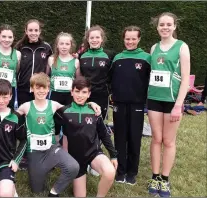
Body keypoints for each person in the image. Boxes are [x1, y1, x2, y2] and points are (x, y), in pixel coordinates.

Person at [0, 73, 101, 196]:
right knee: (37, 190)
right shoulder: (26, 106)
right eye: (37, 87)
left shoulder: (53, 105)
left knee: (73, 167)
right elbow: (5, 114)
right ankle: (38, 172)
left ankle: (54, 192)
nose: (41, 91)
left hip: (52, 149)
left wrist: (91, 104)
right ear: (32, 89)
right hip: (34, 152)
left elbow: (74, 108)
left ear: (48, 89)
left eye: (44, 88)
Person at [147, 12, 190, 197]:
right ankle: (155, 176)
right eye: (161, 24)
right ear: (157, 27)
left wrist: (178, 105)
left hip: (172, 101)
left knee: (168, 141)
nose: (165, 27)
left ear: (174, 26)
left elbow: (186, 79)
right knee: (156, 139)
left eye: (168, 24)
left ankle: (165, 179)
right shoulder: (154, 47)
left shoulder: (181, 47)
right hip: (154, 98)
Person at [54, 76, 118, 197]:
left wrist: (113, 155)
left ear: (89, 94)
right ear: (71, 92)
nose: (80, 95)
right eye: (77, 91)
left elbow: (104, 135)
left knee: (110, 172)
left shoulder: (94, 111)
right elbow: (53, 131)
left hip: (93, 153)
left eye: (84, 92)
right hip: (75, 159)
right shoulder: (64, 112)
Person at [110, 26, 151, 185]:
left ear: (139, 39)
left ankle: (132, 172)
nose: (130, 41)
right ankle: (120, 171)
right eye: (127, 38)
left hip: (137, 105)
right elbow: (111, 79)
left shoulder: (146, 58)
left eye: (134, 38)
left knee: (134, 138)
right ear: (123, 39)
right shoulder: (117, 58)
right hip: (119, 104)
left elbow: (150, 81)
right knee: (120, 138)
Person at [46, 32, 80, 150]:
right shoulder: (51, 60)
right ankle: (54, 151)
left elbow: (78, 81)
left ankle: (65, 154)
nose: (64, 46)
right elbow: (46, 78)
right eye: (61, 43)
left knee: (68, 124)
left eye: (67, 44)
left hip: (69, 97)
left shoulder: (75, 61)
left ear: (71, 45)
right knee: (55, 124)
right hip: (55, 95)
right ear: (57, 45)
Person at [79, 25, 116, 120]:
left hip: (102, 94)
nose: (94, 40)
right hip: (84, 93)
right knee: (84, 121)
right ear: (87, 39)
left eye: (97, 37)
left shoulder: (109, 55)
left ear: (102, 39)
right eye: (91, 37)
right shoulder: (82, 56)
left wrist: (110, 91)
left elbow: (113, 75)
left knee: (99, 122)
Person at [15, 19, 52, 106]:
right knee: (23, 115)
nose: (33, 33)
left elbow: (53, 62)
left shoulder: (46, 47)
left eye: (36, 30)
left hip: (40, 88)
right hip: (23, 87)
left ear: (40, 31)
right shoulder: (20, 46)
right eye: (30, 30)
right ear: (26, 31)